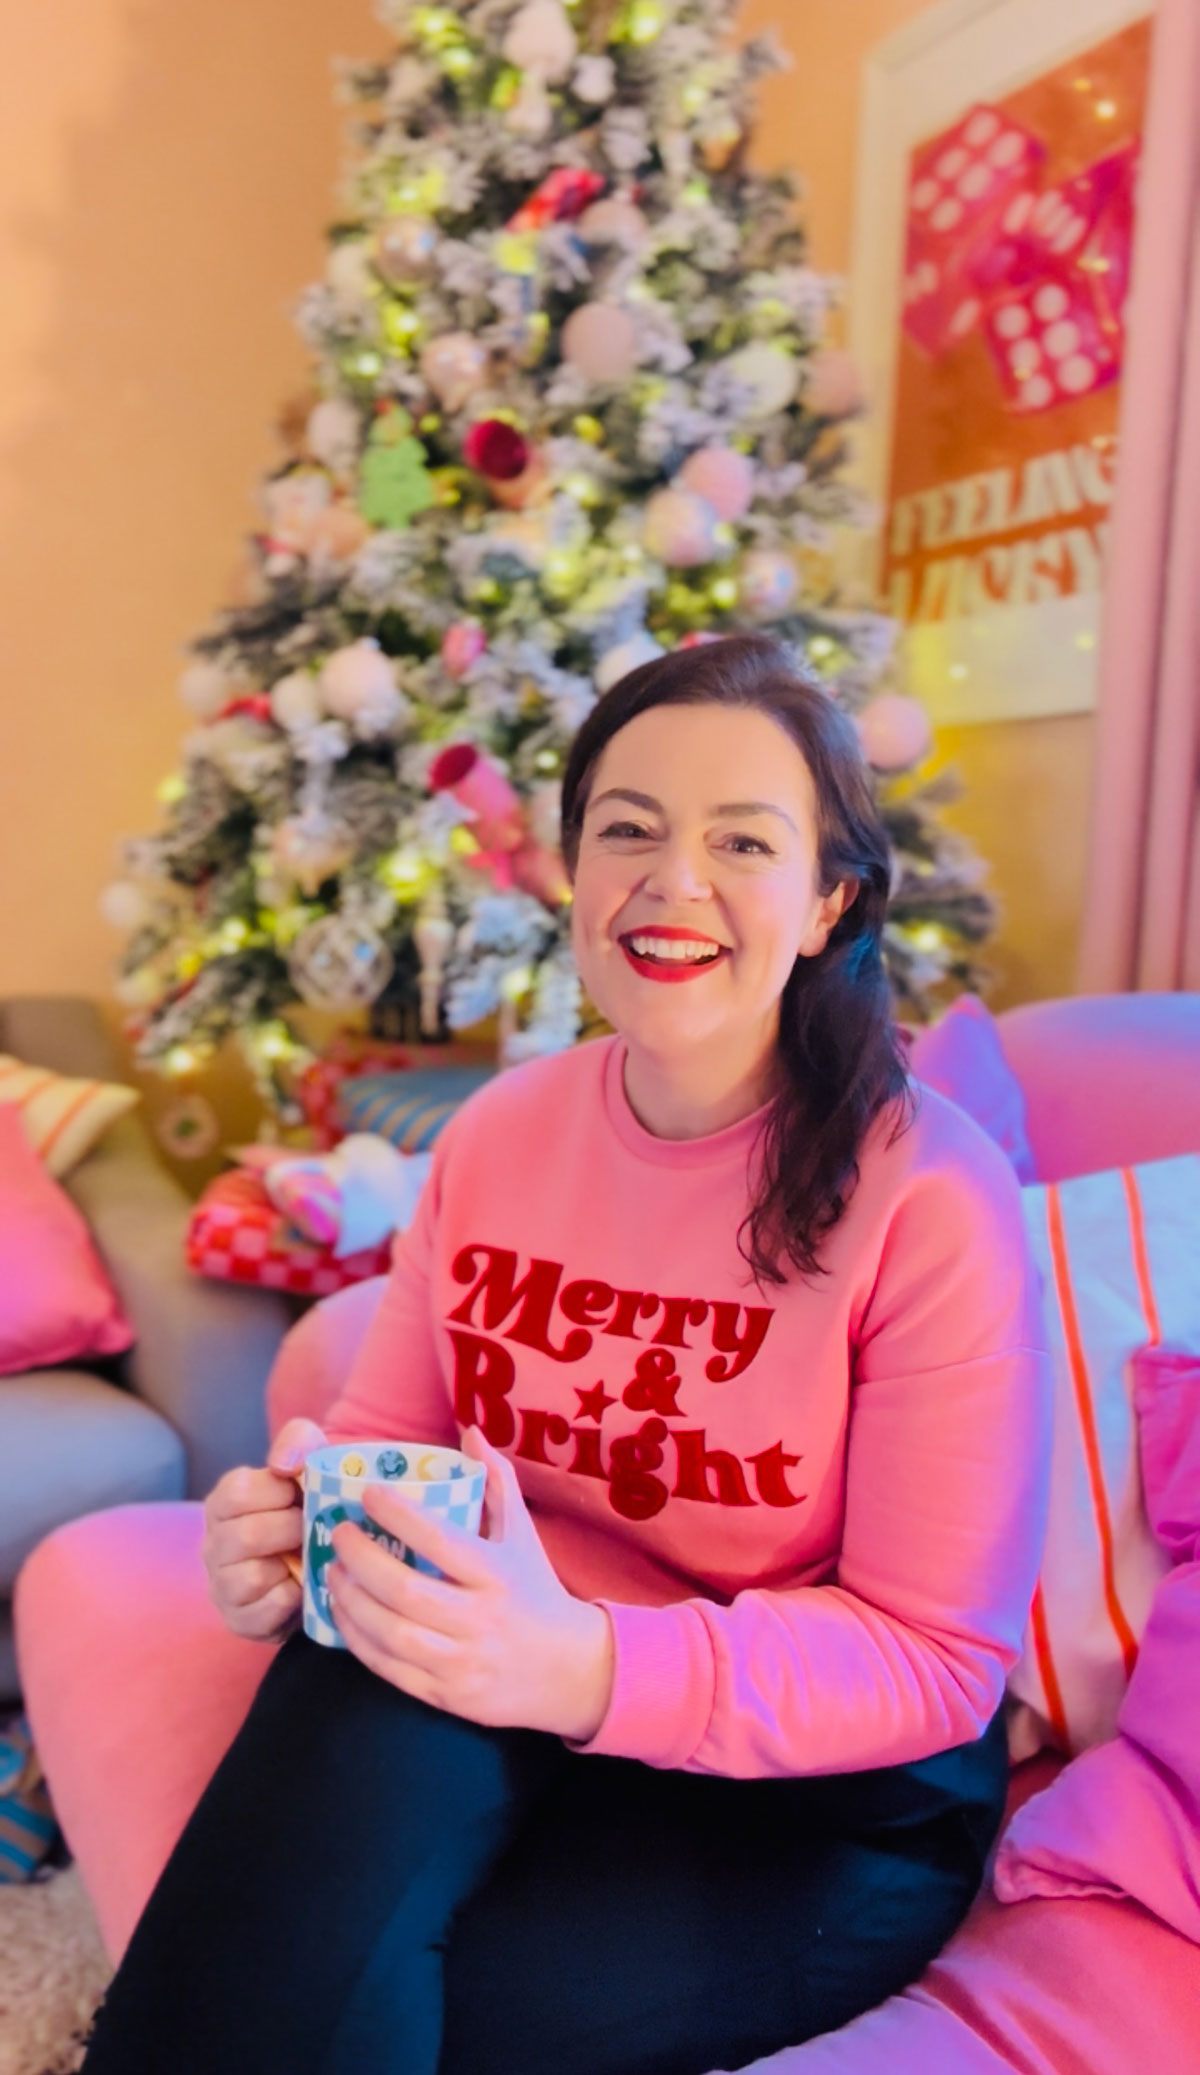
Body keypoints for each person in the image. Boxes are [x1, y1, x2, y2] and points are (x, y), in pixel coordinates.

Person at [82, 634, 1051, 2075]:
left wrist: (583, 1666)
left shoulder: (931, 1196)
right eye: (629, 830)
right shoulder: (499, 1137)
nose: (674, 882)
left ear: (826, 899)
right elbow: (385, 1452)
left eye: (742, 842)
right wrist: (289, 1542)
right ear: (573, 869)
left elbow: (936, 1661)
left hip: (815, 1791)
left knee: (375, 2017)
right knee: (284, 1919)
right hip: (497, 1685)